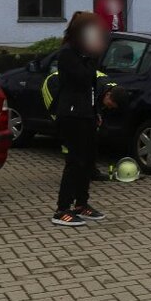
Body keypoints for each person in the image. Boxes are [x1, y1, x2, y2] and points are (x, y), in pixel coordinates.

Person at [51, 12, 109, 227]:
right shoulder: (67, 54)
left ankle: (81, 204)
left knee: (87, 161)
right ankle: (61, 209)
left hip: (86, 114)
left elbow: (92, 87)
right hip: (71, 115)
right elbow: (83, 79)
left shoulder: (84, 53)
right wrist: (94, 55)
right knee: (74, 161)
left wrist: (96, 112)